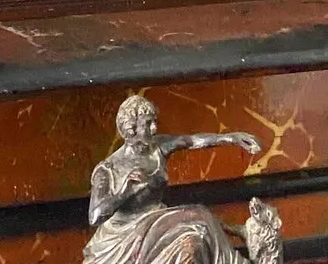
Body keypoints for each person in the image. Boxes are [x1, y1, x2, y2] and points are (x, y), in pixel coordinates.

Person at [83, 94, 270, 264]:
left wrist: (230, 138)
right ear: (130, 128)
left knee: (194, 235)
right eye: (148, 124)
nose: (154, 128)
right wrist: (126, 191)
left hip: (159, 219)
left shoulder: (158, 146)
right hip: (125, 235)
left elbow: (192, 141)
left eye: (154, 122)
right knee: (199, 217)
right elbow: (96, 215)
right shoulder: (109, 169)